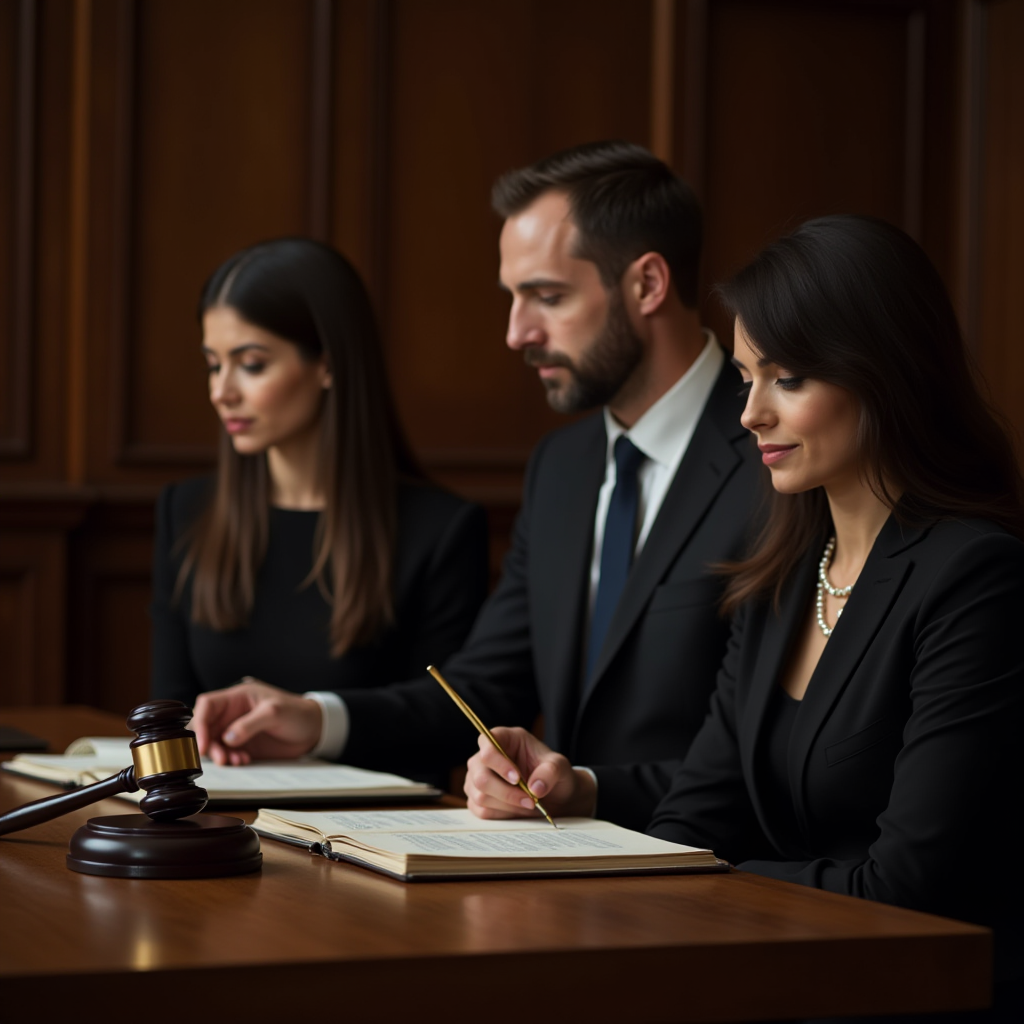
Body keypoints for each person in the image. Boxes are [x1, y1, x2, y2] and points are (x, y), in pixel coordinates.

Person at [190, 143, 763, 828]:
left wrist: (585, 789)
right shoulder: (562, 466)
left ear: (647, 285)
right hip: (563, 868)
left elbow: (767, 753)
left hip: (719, 877)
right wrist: (316, 719)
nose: (517, 333)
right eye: (514, 297)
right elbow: (485, 688)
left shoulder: (777, 456)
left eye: (547, 297)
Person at [638, 215, 1021, 1016]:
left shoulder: (975, 576)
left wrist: (708, 885)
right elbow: (695, 816)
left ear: (883, 374)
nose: (750, 414)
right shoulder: (783, 572)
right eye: (746, 378)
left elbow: (908, 885)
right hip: (779, 973)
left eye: (787, 379)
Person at [151, 238, 489, 763]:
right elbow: (168, 710)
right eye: (213, 365)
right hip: (214, 818)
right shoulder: (186, 511)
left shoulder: (439, 529)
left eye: (252, 364)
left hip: (367, 834)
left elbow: (446, 723)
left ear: (328, 365)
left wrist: (316, 719)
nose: (222, 391)